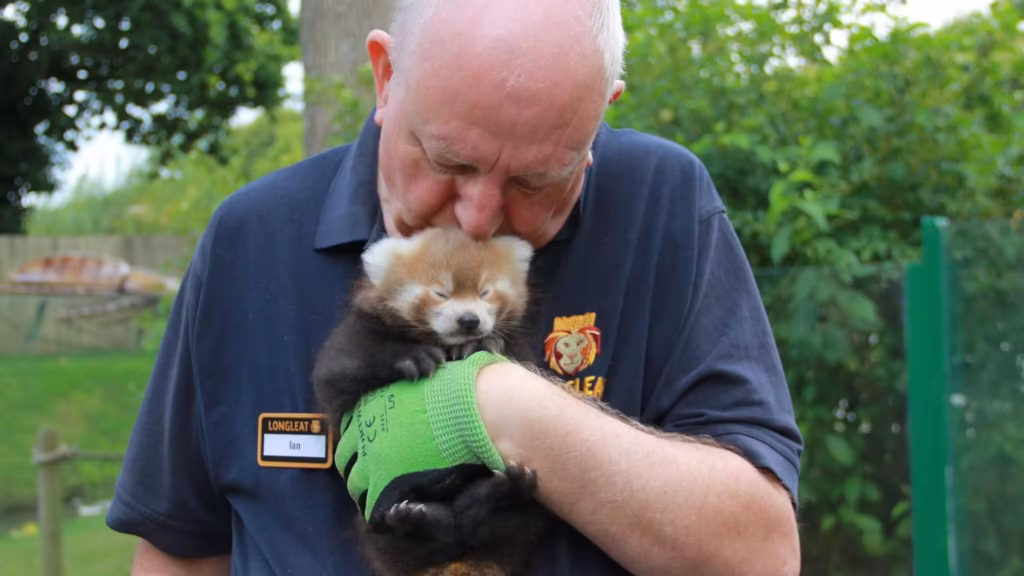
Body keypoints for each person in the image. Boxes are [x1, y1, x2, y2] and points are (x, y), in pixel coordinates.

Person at [106, 0, 804, 574]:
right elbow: (182, 550)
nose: (480, 216)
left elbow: (760, 556)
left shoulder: (662, 204)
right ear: (384, 77)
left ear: (600, 115)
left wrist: (505, 408)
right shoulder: (249, 237)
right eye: (449, 160)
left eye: (537, 179)